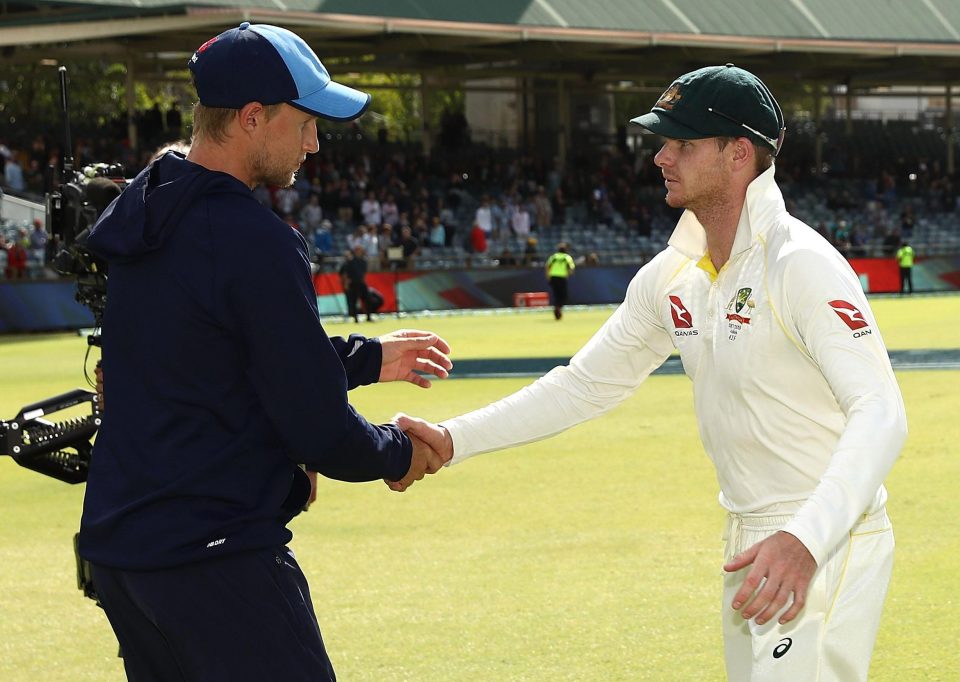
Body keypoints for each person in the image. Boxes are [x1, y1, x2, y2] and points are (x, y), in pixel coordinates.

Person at [397, 64, 907, 682]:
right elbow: (583, 384)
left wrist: (806, 539)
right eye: (664, 141)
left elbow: (881, 412)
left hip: (822, 538)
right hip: (749, 536)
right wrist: (453, 440)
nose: (661, 156)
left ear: (739, 154)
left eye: (683, 143)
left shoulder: (800, 264)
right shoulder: (673, 275)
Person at [77, 23, 453, 682]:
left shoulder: (147, 211)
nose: (314, 142)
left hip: (125, 551)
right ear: (251, 117)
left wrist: (365, 359)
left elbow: (214, 362)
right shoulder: (251, 238)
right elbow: (315, 424)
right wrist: (398, 450)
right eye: (305, 121)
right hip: (213, 558)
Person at [340, 244, 375, 322]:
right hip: (353, 283)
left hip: (361, 282)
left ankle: (369, 316)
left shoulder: (363, 261)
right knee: (354, 301)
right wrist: (346, 283)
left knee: (368, 299)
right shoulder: (351, 261)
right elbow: (345, 273)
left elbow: (363, 273)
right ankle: (355, 318)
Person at [544, 242, 575, 320]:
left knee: (556, 295)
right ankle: (558, 308)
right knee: (564, 296)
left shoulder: (553, 257)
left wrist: (548, 277)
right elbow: (571, 268)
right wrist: (568, 274)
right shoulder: (567, 257)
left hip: (553, 277)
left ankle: (557, 309)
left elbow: (547, 267)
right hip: (562, 278)